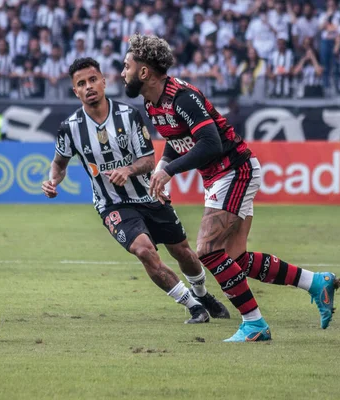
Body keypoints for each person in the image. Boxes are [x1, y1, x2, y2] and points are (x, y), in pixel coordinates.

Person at [121, 34, 340, 342]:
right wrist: (161, 167)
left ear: (144, 72)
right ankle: (316, 283)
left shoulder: (183, 97)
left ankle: (254, 324)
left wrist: (170, 171)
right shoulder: (152, 102)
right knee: (235, 260)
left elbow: (211, 143)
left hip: (234, 170)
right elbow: (177, 141)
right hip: (219, 177)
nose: (123, 73)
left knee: (207, 251)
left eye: (127, 66)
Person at [41, 57, 229, 324]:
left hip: (148, 195)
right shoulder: (69, 128)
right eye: (81, 84)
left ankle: (203, 295)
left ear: (104, 81)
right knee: (143, 250)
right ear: (75, 91)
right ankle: (193, 306)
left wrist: (128, 170)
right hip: (113, 205)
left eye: (93, 79)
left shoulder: (129, 115)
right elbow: (59, 164)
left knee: (183, 252)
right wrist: (53, 181)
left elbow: (149, 161)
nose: (89, 87)